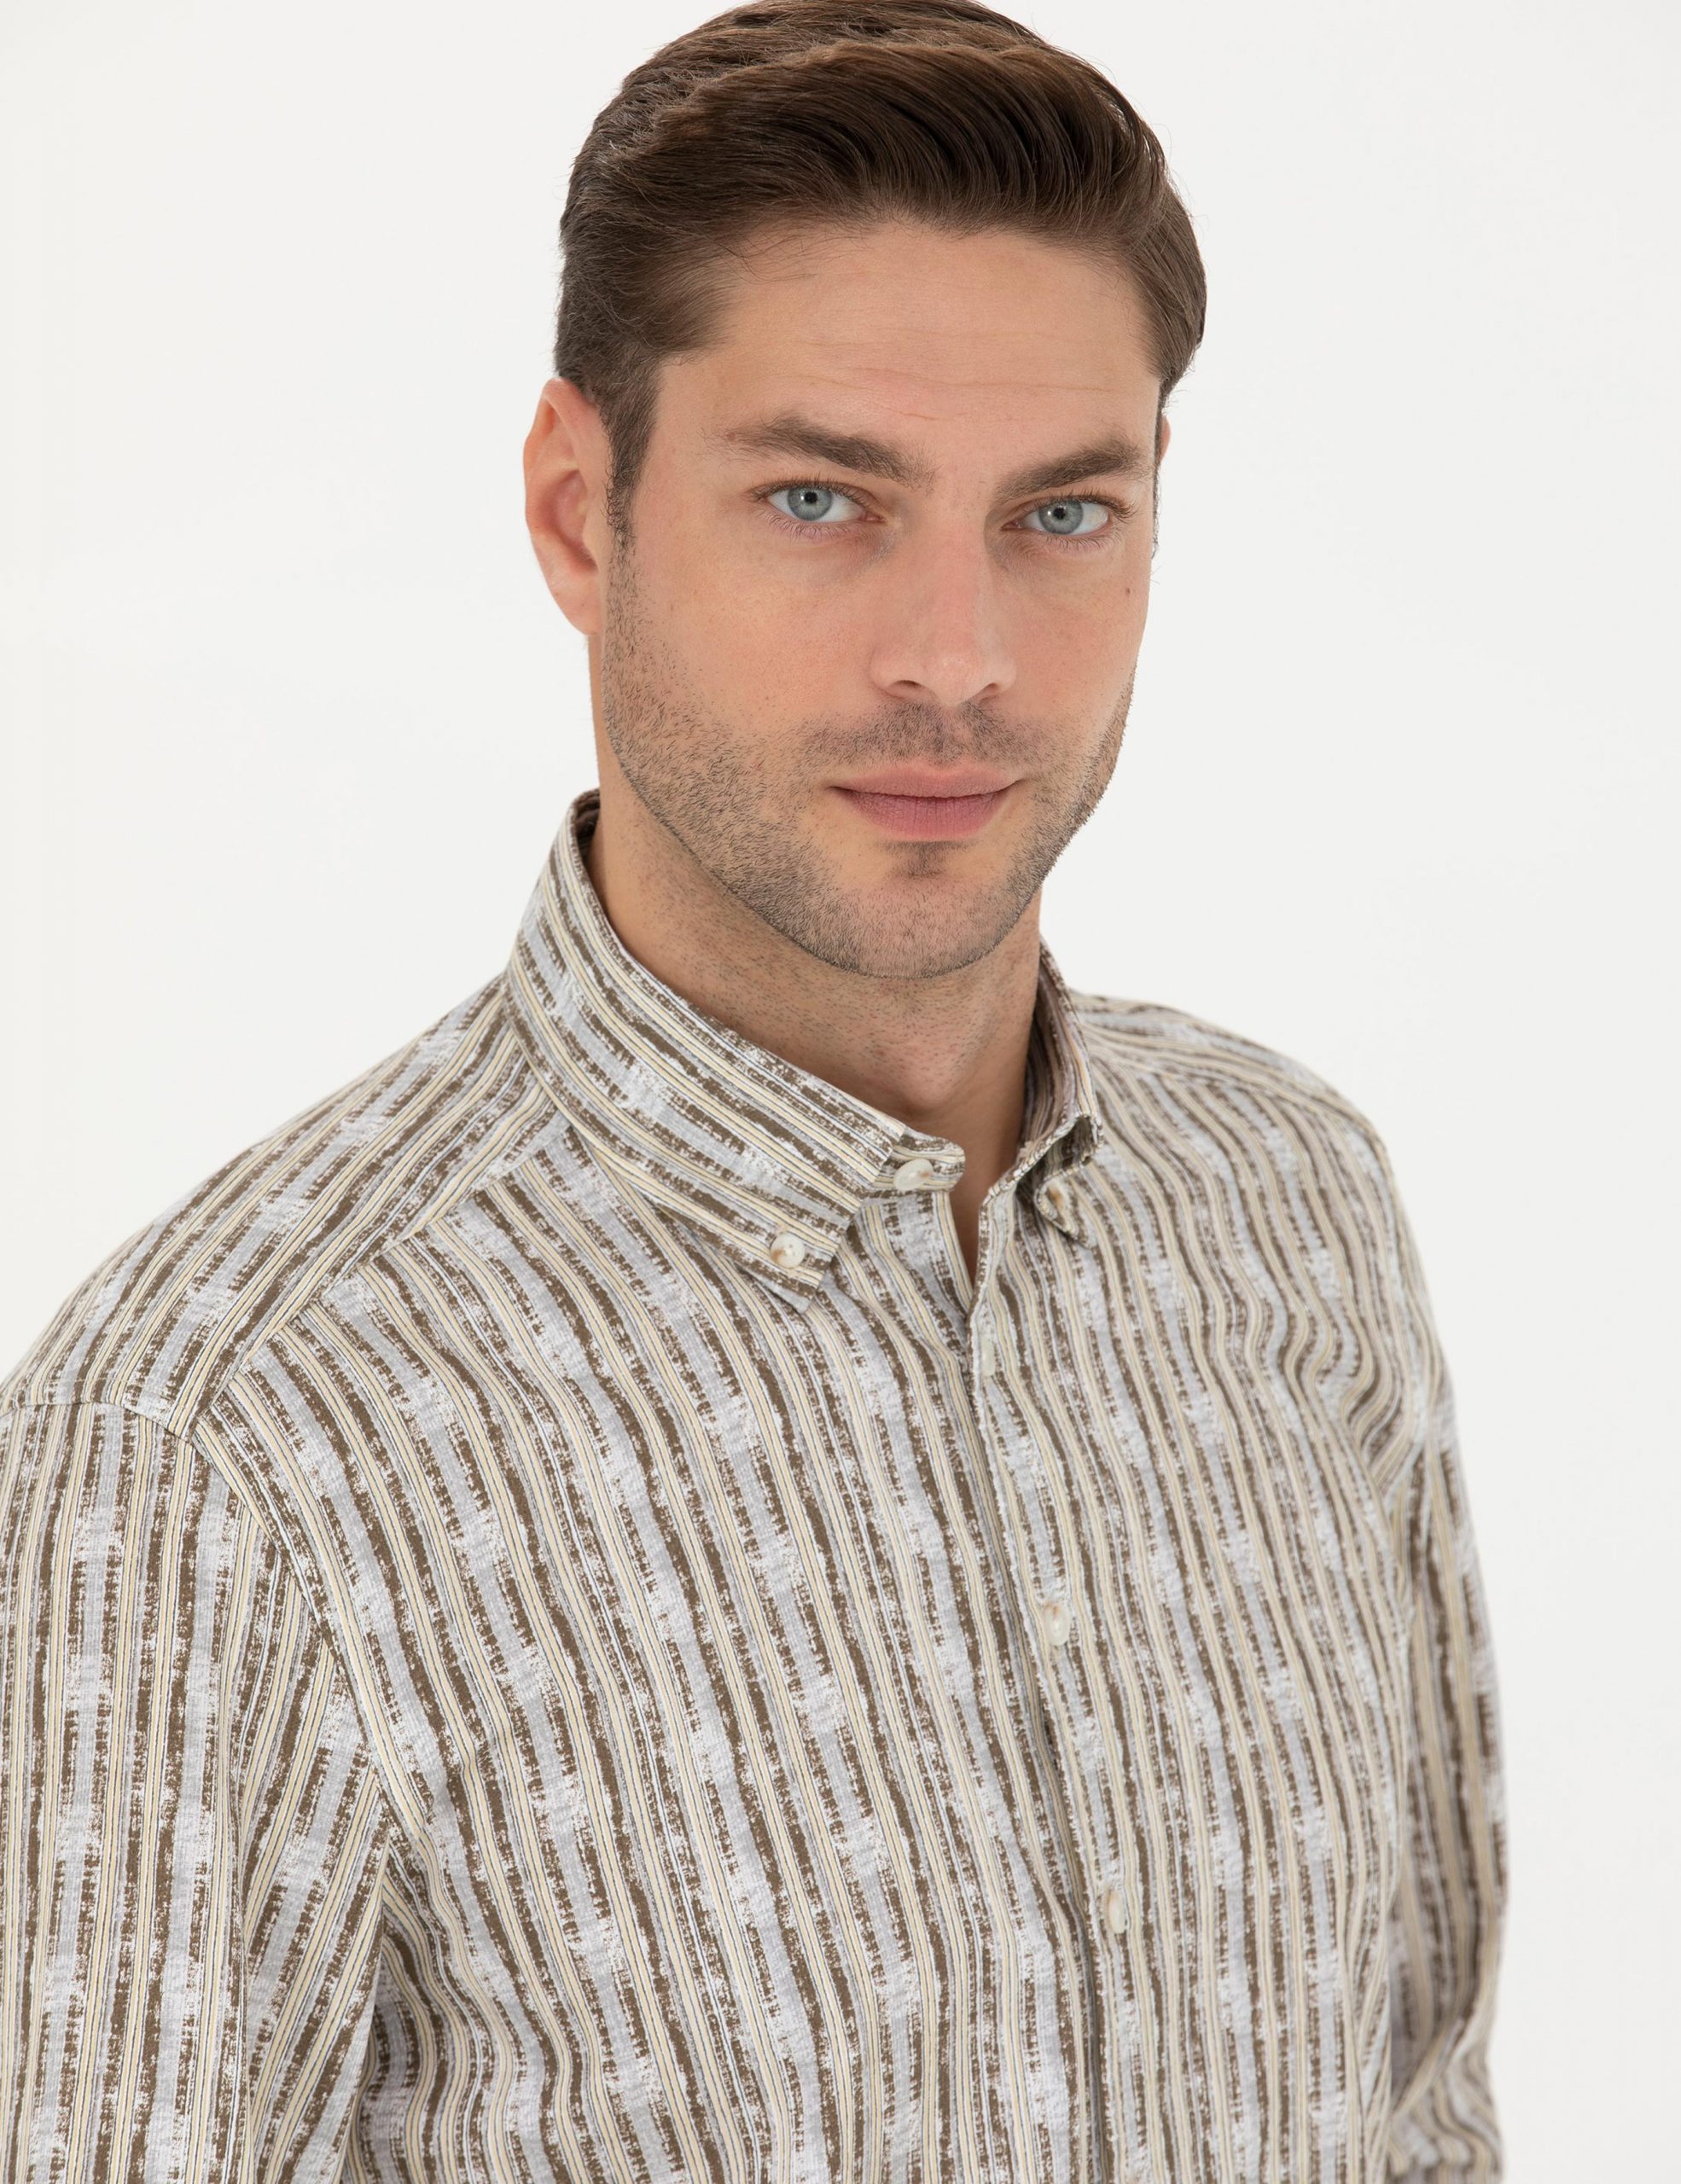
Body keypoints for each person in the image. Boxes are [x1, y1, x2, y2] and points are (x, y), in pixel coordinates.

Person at [0, 2, 1507, 2176]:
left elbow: (1420, 2108)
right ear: (577, 510)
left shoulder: (1288, 1200)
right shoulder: (233, 1437)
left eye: (1061, 511)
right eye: (819, 498)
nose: (956, 653)